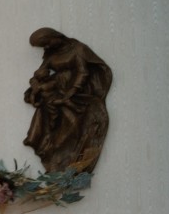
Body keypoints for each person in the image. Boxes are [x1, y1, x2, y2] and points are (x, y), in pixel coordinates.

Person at [22, 27, 112, 174]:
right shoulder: (51, 53)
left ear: (55, 36)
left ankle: (68, 165)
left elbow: (83, 72)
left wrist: (71, 92)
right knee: (51, 121)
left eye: (47, 43)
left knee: (73, 126)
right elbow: (40, 72)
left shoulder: (78, 49)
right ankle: (51, 156)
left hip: (75, 90)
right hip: (56, 89)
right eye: (44, 46)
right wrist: (35, 83)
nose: (46, 47)